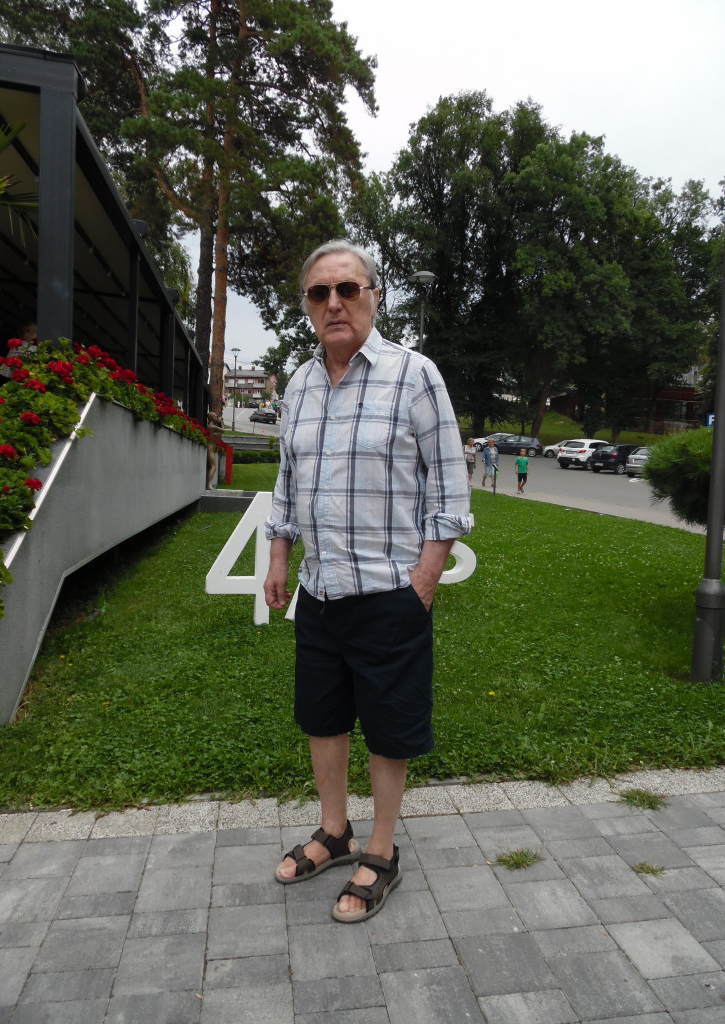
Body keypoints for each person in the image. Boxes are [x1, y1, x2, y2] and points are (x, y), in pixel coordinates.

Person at [264, 239, 473, 923]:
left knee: (389, 727)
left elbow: (449, 488)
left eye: (348, 289)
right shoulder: (299, 385)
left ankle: (381, 850)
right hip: (320, 593)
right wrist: (279, 558)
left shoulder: (415, 376)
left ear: (374, 297)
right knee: (322, 718)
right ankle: (335, 832)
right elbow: (288, 482)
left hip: (390, 596)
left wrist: (424, 582)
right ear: (307, 305)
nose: (334, 302)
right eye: (319, 292)